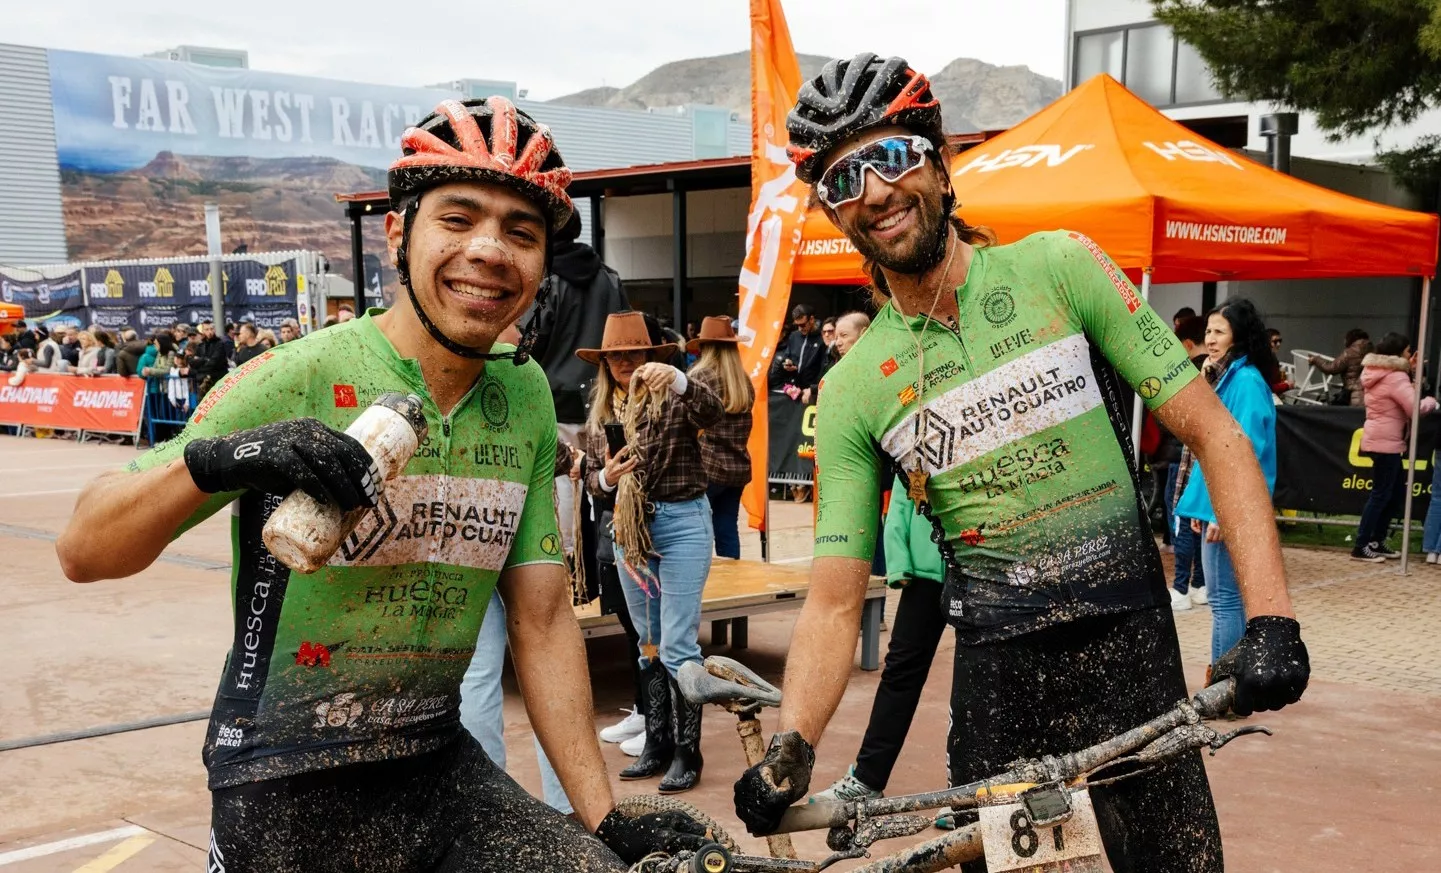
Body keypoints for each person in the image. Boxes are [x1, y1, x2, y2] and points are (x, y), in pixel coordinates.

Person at [54, 96, 707, 872]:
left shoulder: (523, 391)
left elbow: (540, 620)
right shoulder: (301, 373)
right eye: (457, 219)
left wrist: (602, 818)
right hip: (284, 774)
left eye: (520, 232)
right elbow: (83, 549)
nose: (489, 250)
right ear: (398, 235)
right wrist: (227, 458)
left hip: (435, 764)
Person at [732, 53, 1310, 873]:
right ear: (832, 211)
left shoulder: (1060, 267)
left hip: (1131, 656)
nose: (875, 191)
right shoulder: (857, 385)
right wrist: (790, 744)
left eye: (891, 156)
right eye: (842, 179)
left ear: (939, 163)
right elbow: (832, 600)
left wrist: (1271, 619)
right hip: (1001, 690)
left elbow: (1216, 435)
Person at [579, 311, 723, 794]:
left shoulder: (676, 395)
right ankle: (657, 743)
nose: (626, 361)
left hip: (682, 523)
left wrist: (679, 379)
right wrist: (606, 478)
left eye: (634, 352)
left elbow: (715, 412)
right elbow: (594, 483)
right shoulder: (602, 411)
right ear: (605, 362)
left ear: (649, 354)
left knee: (679, 645)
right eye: (616, 355)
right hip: (630, 530)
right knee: (648, 642)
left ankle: (687, 751)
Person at [809, 474, 945, 810]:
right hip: (926, 573)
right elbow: (902, 491)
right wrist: (899, 561)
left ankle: (969, 793)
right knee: (900, 671)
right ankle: (868, 779)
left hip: (983, 568)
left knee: (979, 681)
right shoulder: (919, 439)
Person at [1176, 299, 1283, 674]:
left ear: (1238, 336)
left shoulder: (1245, 381)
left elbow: (1244, 451)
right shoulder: (1228, 377)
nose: (1211, 338)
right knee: (1227, 600)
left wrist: (1222, 511)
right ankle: (1230, 681)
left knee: (1224, 601)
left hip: (1231, 506)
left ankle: (1225, 682)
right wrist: (1203, 506)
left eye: (1219, 331)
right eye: (1208, 331)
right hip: (1223, 504)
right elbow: (1212, 448)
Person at [1348, 331, 1436, 562]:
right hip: (1386, 442)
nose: (1410, 355)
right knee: (1381, 495)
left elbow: (1405, 396)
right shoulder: (1395, 377)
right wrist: (1432, 401)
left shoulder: (1378, 371)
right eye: (1407, 351)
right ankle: (1361, 545)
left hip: (1382, 439)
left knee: (1393, 495)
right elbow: (1414, 407)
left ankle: (1375, 540)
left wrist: (1411, 370)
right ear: (1398, 353)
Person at [686, 315, 754, 560]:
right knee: (727, 528)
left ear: (705, 347)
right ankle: (733, 575)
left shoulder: (700, 377)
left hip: (708, 466)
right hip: (737, 467)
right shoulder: (742, 380)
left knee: (697, 530)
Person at [1167, 315, 1209, 609]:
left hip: (1186, 460)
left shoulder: (1191, 373)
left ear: (1187, 344)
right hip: (1201, 460)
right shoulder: (1221, 373)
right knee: (1198, 523)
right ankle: (1199, 585)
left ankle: (1181, 588)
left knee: (1183, 521)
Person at [768, 303, 825, 394]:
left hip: (811, 390)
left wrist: (814, 389)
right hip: (793, 388)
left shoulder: (822, 338)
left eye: (802, 325)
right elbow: (786, 356)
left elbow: (823, 366)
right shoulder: (794, 336)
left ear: (811, 319)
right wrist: (787, 364)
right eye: (797, 325)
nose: (799, 328)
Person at [1310, 328, 1371, 406]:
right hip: (1371, 396)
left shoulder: (1349, 353)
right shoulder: (1374, 351)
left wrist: (1316, 359)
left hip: (1355, 396)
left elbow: (1331, 368)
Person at [188, 320, 231, 397]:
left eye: (211, 329)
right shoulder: (200, 345)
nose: (210, 332)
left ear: (214, 329)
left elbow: (213, 363)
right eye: (207, 329)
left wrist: (199, 367)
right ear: (203, 331)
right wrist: (204, 360)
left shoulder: (220, 344)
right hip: (203, 384)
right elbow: (192, 363)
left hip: (218, 382)